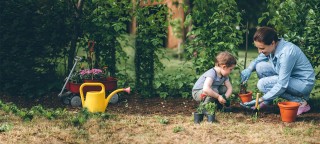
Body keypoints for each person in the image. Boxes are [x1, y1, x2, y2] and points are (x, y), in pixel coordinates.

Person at [240, 26, 315, 115]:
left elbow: (282, 84)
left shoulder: (286, 53)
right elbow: (258, 60)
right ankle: (268, 102)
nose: (259, 51)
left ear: (272, 43)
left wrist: (261, 99)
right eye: (258, 48)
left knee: (262, 84)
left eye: (262, 48)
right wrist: (249, 69)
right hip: (291, 78)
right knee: (260, 66)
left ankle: (301, 102)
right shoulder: (273, 47)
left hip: (302, 83)